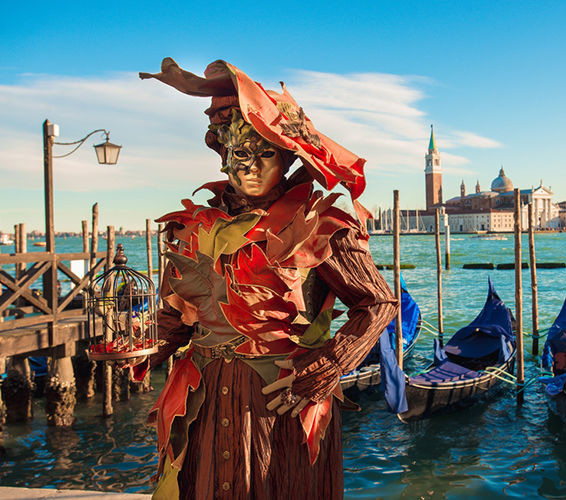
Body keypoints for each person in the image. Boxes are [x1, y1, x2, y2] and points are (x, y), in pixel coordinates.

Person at [137, 58, 398, 499]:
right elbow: (178, 317)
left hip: (282, 400)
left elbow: (377, 303)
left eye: (266, 154)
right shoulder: (192, 229)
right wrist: (143, 349)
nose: (252, 167)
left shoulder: (317, 224)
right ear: (224, 154)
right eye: (241, 153)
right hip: (202, 397)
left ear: (287, 158)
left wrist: (326, 367)